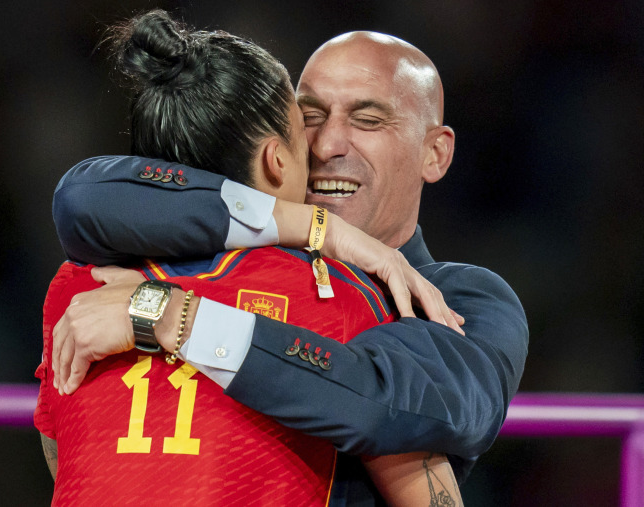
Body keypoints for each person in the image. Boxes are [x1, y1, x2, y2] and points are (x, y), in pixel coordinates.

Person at [51, 26, 528, 503]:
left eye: (367, 120)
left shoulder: (462, 297)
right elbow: (81, 197)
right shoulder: (210, 264)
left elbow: (380, 403)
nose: (324, 146)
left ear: (435, 153)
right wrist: (314, 227)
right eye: (309, 117)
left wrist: (169, 315)